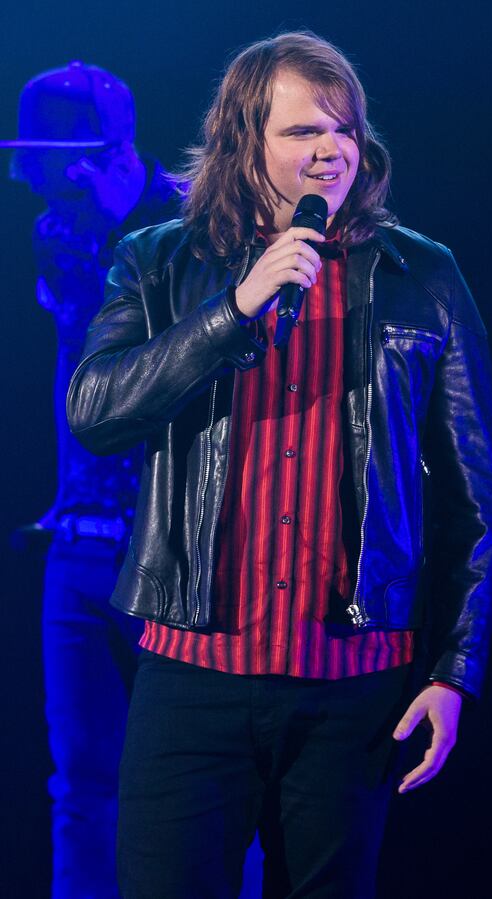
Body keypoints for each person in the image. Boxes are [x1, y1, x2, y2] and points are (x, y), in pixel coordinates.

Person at [66, 32, 492, 899]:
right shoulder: (159, 260)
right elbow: (96, 411)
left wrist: (456, 669)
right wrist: (233, 311)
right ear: (244, 141)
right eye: (304, 132)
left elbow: (475, 496)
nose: (331, 151)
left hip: (353, 692)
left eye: (344, 130)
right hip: (192, 678)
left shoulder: (426, 276)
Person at [1, 61, 176, 898]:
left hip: (181, 549)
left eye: (58, 176)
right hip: (83, 541)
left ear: (106, 159)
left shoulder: (195, 228)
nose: (45, 198)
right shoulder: (61, 231)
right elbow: (77, 371)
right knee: (80, 785)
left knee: (199, 782)